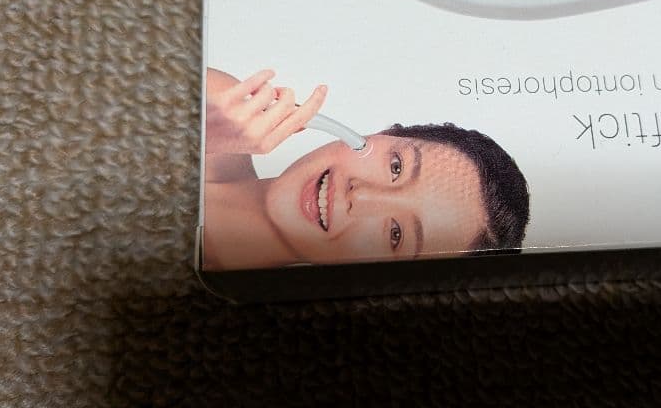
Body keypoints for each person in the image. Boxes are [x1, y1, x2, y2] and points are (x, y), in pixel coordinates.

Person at [202, 68, 530, 270]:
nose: (360, 197)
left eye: (396, 235)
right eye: (397, 167)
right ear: (384, 133)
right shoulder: (216, 100)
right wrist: (190, 130)